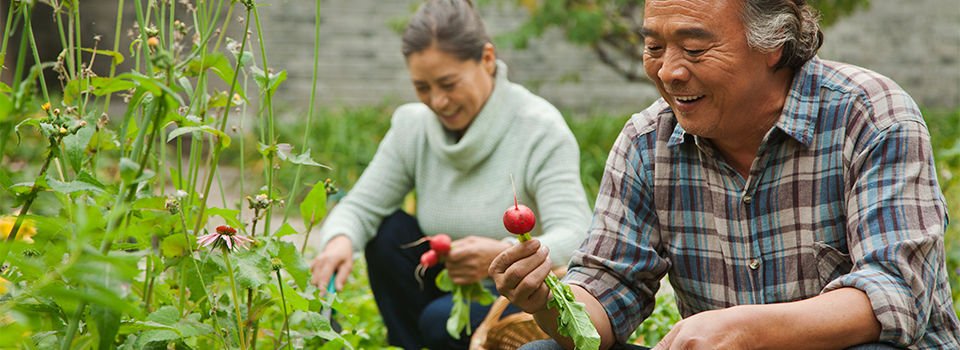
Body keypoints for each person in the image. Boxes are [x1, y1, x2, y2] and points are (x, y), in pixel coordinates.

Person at [489, 0, 960, 349]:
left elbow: (895, 293)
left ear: (774, 46)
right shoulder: (645, 143)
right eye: (655, 46)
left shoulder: (871, 116)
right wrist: (548, 299)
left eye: (694, 48)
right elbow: (604, 300)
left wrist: (742, 328)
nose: (669, 71)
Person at [306, 0, 592, 349]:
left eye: (448, 83)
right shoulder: (413, 126)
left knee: (441, 321)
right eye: (423, 88)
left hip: (516, 294)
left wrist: (501, 256)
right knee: (387, 231)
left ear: (487, 59)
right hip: (445, 282)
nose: (438, 101)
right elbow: (361, 206)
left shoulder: (539, 129)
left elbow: (577, 235)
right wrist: (339, 241)